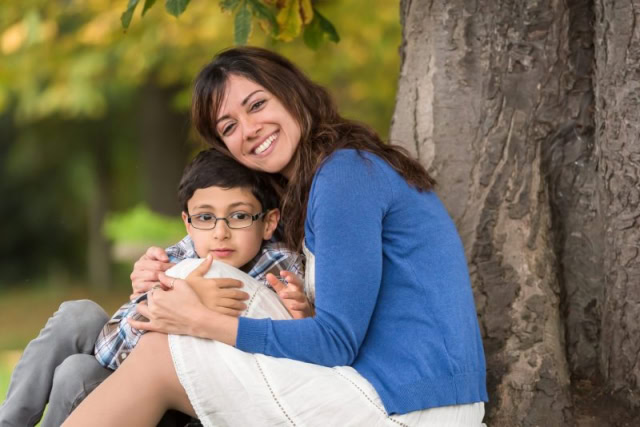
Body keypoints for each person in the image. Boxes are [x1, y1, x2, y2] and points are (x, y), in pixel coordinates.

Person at [64, 46, 488, 426]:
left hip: (413, 406)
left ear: (292, 93)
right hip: (392, 388)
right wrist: (157, 272)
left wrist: (200, 321)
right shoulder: (315, 187)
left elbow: (335, 341)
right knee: (199, 275)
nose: (248, 129)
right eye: (228, 127)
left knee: (164, 347)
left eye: (257, 104)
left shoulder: (346, 176)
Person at [0, 148, 306, 427]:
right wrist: (170, 295)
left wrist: (183, 302)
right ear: (188, 223)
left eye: (239, 216)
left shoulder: (276, 268)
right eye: (205, 217)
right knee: (78, 318)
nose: (220, 233)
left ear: (268, 222)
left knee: (76, 373)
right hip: (131, 368)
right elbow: (111, 350)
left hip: (181, 403)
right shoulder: (181, 256)